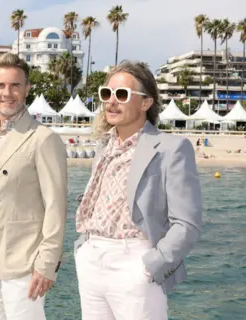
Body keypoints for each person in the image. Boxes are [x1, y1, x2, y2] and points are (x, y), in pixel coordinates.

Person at [74, 60, 202, 320]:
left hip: (135, 263)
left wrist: (151, 265)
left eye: (121, 95)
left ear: (146, 102)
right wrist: (82, 248)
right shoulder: (104, 149)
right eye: (106, 94)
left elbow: (187, 223)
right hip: (91, 260)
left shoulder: (171, 148)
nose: (111, 102)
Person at [0, 53, 68, 319]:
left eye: (15, 85)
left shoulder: (43, 138)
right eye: (0, 85)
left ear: (26, 89)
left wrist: (46, 265)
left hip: (24, 264)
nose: (7, 93)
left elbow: (55, 207)